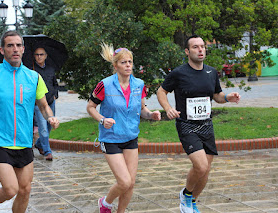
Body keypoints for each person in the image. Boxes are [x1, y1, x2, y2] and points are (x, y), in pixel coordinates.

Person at [0, 31, 60, 213]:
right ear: (2, 50)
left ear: (23, 49)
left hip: (25, 142)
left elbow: (43, 105)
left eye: (18, 45)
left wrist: (50, 117)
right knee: (11, 189)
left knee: (25, 190)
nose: (15, 49)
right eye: (10, 45)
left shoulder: (33, 77)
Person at [157, 35, 241, 213]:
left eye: (202, 46)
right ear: (187, 51)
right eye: (195, 47)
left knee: (206, 171)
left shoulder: (211, 72)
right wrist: (168, 108)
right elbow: (161, 91)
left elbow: (217, 96)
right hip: (187, 125)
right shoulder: (179, 73)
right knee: (200, 166)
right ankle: (186, 194)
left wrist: (228, 98)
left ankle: (192, 202)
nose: (200, 49)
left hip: (206, 125)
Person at [86, 43, 161, 213]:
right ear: (115, 66)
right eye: (123, 62)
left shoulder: (139, 85)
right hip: (111, 138)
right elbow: (90, 107)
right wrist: (102, 119)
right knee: (124, 182)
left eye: (130, 62)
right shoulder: (104, 85)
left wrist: (151, 115)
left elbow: (143, 109)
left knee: (131, 183)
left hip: (130, 137)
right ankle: (105, 203)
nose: (128, 65)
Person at [31, 47, 58, 161]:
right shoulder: (32, 71)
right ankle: (48, 152)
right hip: (39, 104)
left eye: (41, 54)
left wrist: (55, 94)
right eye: (37, 54)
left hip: (50, 102)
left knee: (49, 125)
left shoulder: (51, 69)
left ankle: (39, 143)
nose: (39, 57)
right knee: (43, 128)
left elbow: (55, 83)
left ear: (46, 55)